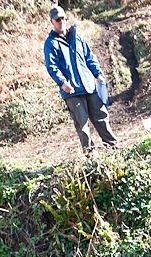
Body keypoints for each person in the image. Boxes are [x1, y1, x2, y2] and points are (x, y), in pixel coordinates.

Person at [44, 5, 117, 152]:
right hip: (72, 92)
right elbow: (52, 67)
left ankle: (114, 148)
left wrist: (98, 75)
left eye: (63, 18)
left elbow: (90, 57)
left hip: (89, 86)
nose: (61, 22)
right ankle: (91, 156)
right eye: (57, 19)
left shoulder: (77, 36)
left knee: (102, 117)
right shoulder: (50, 43)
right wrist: (62, 82)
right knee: (82, 124)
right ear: (52, 22)